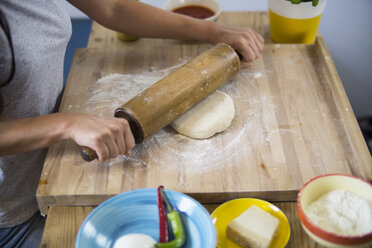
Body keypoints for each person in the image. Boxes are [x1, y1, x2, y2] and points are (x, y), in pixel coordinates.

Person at [0, 0, 264, 247]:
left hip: (55, 159)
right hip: (15, 211)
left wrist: (213, 31)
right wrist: (67, 125)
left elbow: (111, 7)